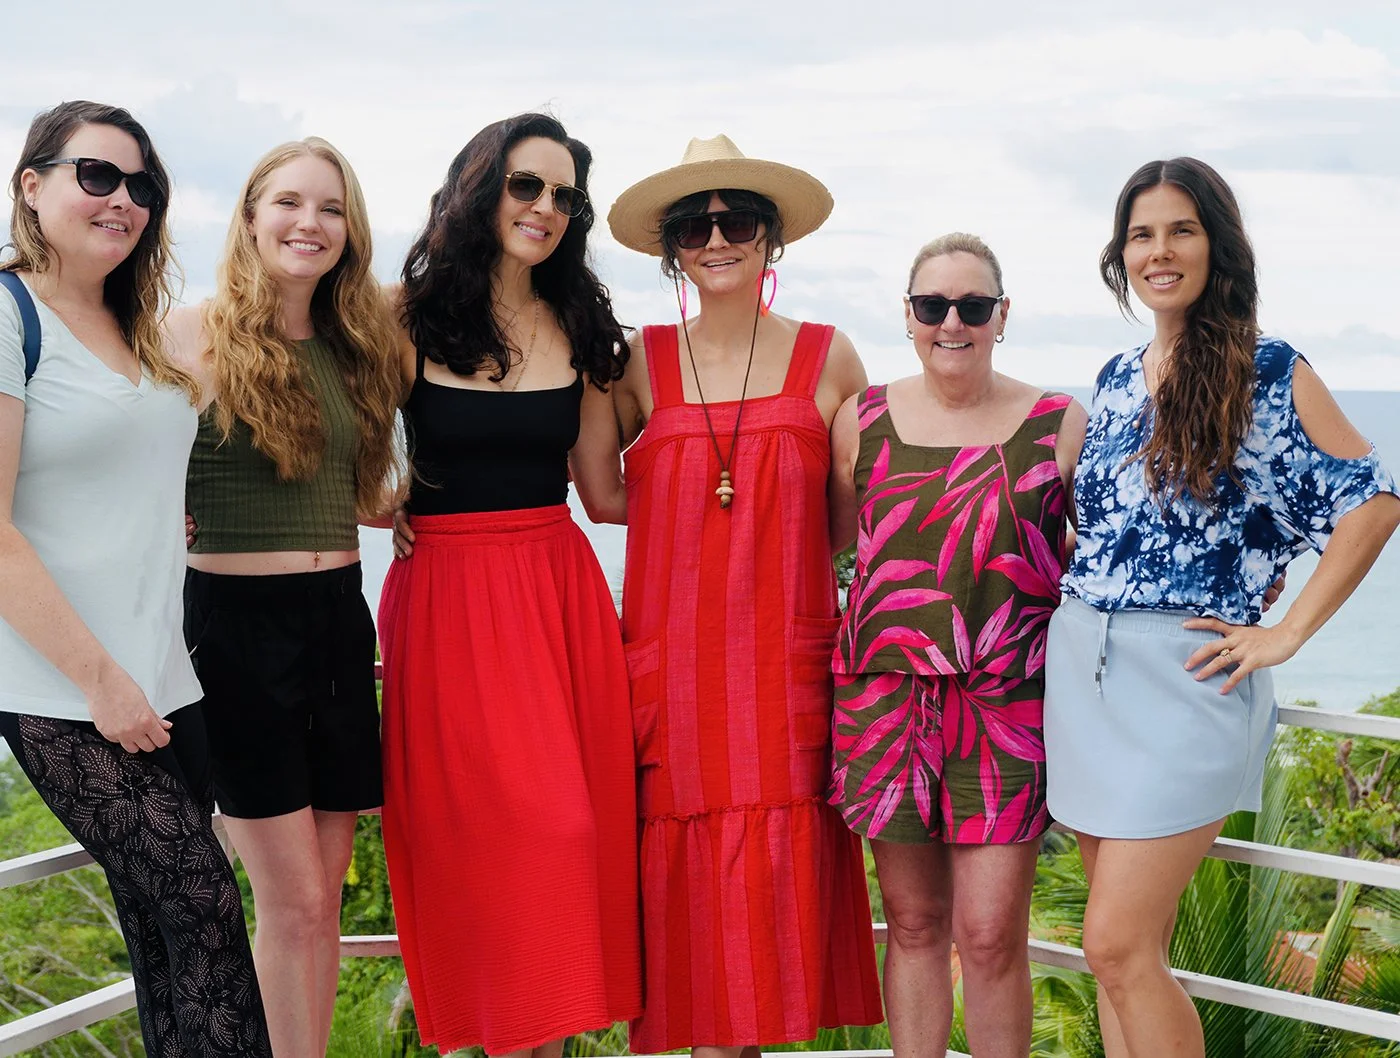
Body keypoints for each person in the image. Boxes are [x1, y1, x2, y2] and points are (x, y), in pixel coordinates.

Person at [1044, 156, 1400, 1058]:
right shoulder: (1117, 376)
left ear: (1218, 245)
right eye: (1141, 234)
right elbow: (1114, 528)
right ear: (1120, 255)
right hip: (1086, 675)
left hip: (1190, 682)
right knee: (1125, 957)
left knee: (1113, 944)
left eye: (1181, 230)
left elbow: (1372, 502)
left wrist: (1284, 632)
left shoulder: (1271, 369)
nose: (1159, 251)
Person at [0, 100, 272, 1057]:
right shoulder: (6, 315)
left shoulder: (141, 328)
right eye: (96, 175)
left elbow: (137, 472)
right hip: (67, 689)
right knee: (205, 908)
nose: (122, 199)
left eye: (142, 186)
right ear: (32, 187)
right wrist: (99, 681)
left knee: (169, 942)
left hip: (167, 680)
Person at [606, 134, 884, 1056]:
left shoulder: (829, 356)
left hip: (781, 670)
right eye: (695, 224)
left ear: (772, 239)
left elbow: (853, 520)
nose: (717, 237)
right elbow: (603, 497)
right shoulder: (634, 364)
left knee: (766, 913)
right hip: (676, 679)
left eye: (739, 220)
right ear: (669, 249)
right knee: (695, 920)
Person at [379, 112, 641, 1058]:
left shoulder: (581, 326)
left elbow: (606, 494)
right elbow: (359, 473)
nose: (545, 208)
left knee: (569, 846)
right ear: (480, 187)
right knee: (491, 856)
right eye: (527, 185)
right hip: (446, 600)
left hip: (556, 594)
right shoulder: (400, 318)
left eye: (565, 196)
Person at [166, 137, 402, 1057]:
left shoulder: (356, 342)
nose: (311, 223)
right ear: (251, 216)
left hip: (340, 623)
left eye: (332, 209)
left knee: (326, 891)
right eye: (290, 203)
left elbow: (342, 479)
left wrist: (405, 514)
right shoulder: (190, 333)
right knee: (293, 899)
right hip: (233, 634)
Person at [827, 232, 1086, 1057]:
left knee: (988, 934)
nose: (952, 322)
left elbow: (1104, 563)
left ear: (1001, 316)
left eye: (972, 307)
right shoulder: (859, 420)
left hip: (1005, 708)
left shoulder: (1058, 425)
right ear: (908, 315)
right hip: (885, 703)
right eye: (933, 306)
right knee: (911, 924)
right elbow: (832, 550)